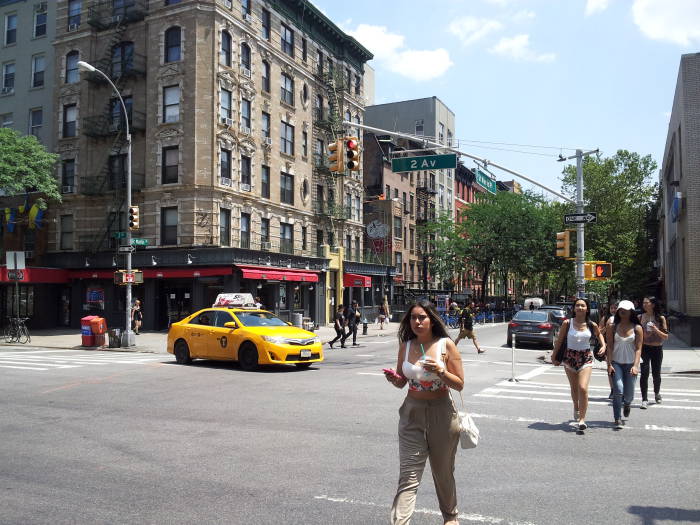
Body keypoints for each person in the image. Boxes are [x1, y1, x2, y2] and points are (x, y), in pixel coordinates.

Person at [383, 300, 464, 525]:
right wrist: (394, 379)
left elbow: (459, 384)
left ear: (432, 319)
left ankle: (450, 517)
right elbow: (402, 382)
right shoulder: (406, 345)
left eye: (422, 317)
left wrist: (441, 371)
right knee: (408, 476)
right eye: (413, 318)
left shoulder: (446, 345)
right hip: (411, 414)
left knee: (443, 472)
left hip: (442, 413)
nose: (417, 322)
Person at [552, 298, 606, 431]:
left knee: (583, 388)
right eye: (577, 305)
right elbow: (559, 341)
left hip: (585, 357)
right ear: (574, 308)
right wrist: (554, 356)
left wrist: (604, 346)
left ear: (587, 308)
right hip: (569, 357)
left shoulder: (591, 324)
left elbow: (600, 336)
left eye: (583, 305)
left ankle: (582, 419)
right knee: (574, 388)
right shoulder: (567, 323)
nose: (580, 308)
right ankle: (576, 406)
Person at [606, 300, 643, 430]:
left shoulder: (637, 328)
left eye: (626, 309)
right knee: (618, 390)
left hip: (630, 364)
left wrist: (636, 366)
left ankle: (627, 404)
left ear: (631, 312)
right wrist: (609, 364)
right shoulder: (612, 326)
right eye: (621, 308)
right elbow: (609, 347)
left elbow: (638, 349)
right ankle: (617, 418)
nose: (622, 311)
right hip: (616, 363)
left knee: (629, 394)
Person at [639, 296, 669, 409]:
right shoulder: (640, 317)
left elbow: (665, 336)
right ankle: (644, 399)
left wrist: (656, 329)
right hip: (645, 348)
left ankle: (657, 393)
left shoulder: (661, 318)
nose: (644, 304)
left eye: (646, 302)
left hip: (657, 349)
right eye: (643, 303)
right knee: (644, 373)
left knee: (656, 374)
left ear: (653, 304)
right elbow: (637, 334)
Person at [598, 300, 618, 398]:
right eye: (612, 308)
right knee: (610, 368)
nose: (613, 310)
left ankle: (619, 389)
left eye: (615, 308)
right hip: (608, 346)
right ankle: (613, 389)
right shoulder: (605, 318)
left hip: (620, 347)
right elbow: (598, 332)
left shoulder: (622, 318)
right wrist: (607, 327)